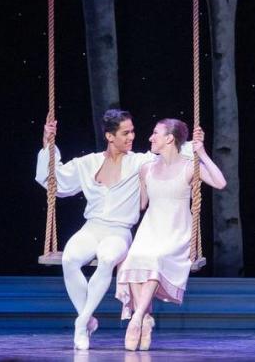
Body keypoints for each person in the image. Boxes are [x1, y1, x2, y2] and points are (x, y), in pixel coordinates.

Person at [36, 109, 159, 350]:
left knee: (107, 257)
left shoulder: (139, 162)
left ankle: (81, 324)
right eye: (126, 132)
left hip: (119, 230)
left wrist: (193, 147)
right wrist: (47, 144)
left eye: (133, 131)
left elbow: (170, 158)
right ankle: (87, 319)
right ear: (109, 136)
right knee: (70, 259)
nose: (132, 136)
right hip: (92, 227)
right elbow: (53, 180)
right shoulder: (88, 163)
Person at [115, 119, 226, 351]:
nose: (150, 138)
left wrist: (202, 153)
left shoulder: (189, 166)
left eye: (155, 133)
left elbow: (220, 182)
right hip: (150, 229)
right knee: (132, 259)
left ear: (169, 138)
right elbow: (142, 203)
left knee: (155, 260)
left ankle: (136, 320)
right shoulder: (146, 168)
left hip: (175, 232)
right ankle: (144, 318)